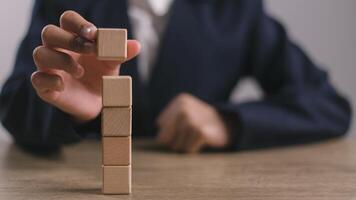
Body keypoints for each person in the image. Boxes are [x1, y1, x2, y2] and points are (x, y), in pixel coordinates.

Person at [0, 0, 352, 153]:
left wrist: (228, 122)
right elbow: (13, 109)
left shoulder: (237, 10)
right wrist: (70, 109)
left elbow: (329, 106)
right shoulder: (68, 4)